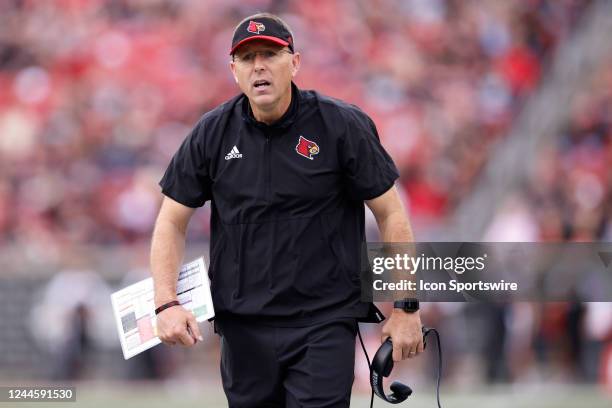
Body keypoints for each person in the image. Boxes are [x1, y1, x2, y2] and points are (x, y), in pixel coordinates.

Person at [150, 12, 423, 407]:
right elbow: (171, 221)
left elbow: (391, 214)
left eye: (270, 54)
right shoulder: (212, 133)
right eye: (246, 58)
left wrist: (406, 306)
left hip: (323, 323)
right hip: (243, 328)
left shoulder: (340, 126)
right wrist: (166, 302)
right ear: (233, 71)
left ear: (294, 62)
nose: (258, 65)